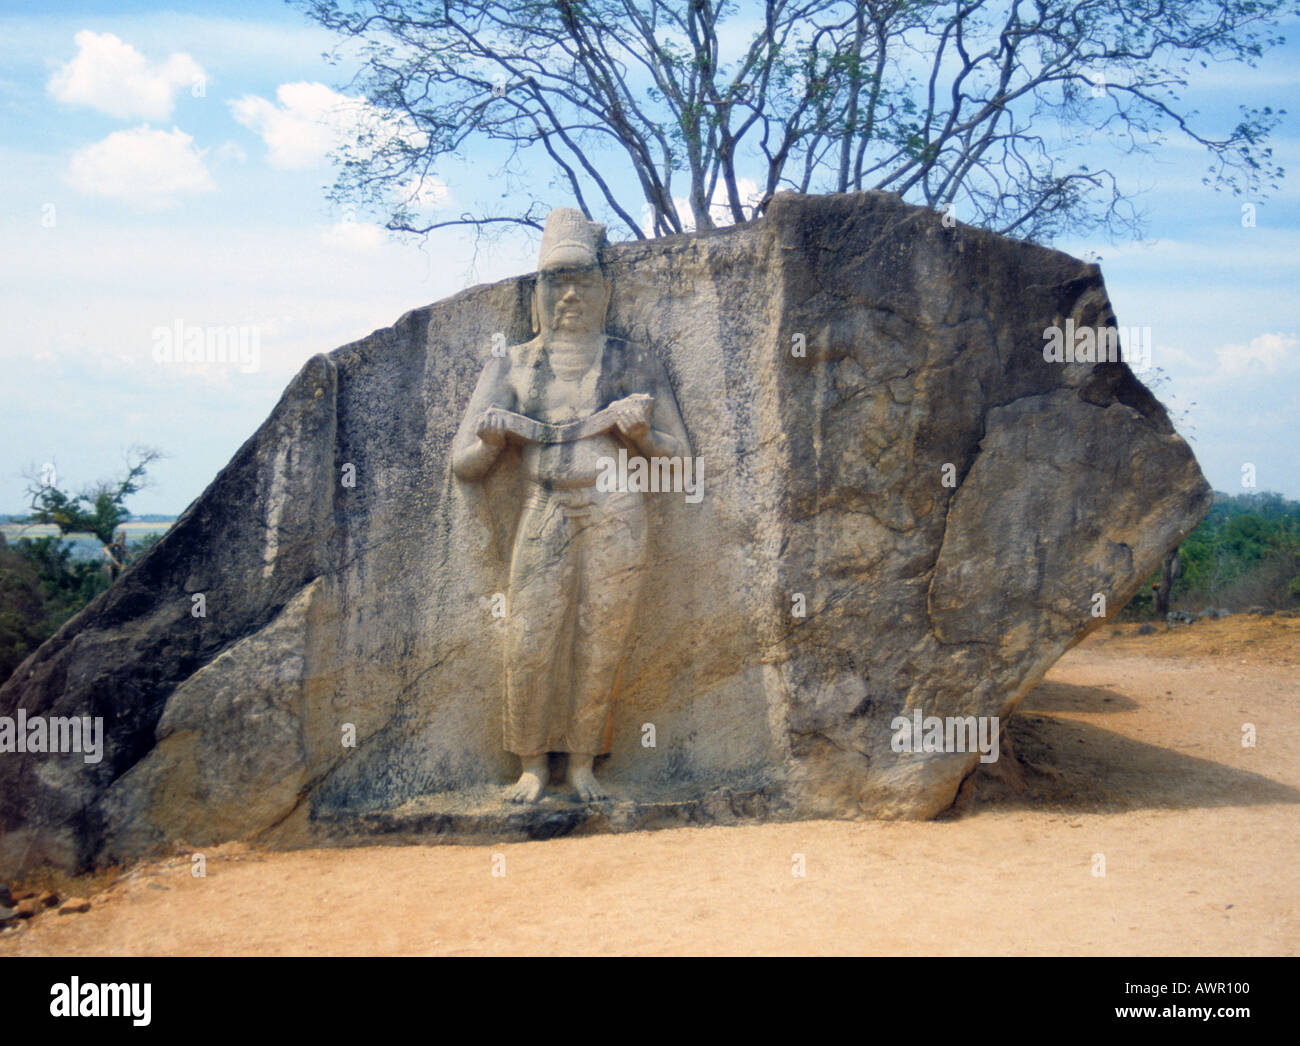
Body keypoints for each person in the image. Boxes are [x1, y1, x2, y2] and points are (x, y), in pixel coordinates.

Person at [452, 208, 690, 802]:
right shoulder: (511, 363)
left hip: (616, 510)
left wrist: (638, 434)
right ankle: (532, 762)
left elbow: (678, 458)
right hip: (546, 506)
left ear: (604, 290)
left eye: (583, 281)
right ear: (538, 293)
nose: (570, 296)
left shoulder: (633, 361)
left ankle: (583, 761)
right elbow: (463, 465)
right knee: (530, 639)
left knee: (600, 637)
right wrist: (490, 440)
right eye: (557, 283)